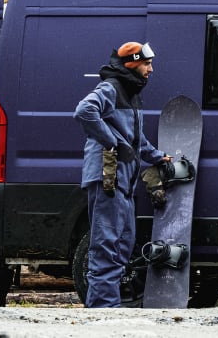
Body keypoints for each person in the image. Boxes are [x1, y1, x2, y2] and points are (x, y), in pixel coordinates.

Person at [74, 42, 170, 308]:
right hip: (110, 175)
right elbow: (84, 111)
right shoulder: (110, 88)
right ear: (132, 64)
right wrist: (112, 142)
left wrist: (157, 156)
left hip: (123, 179)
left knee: (123, 242)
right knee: (108, 242)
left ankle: (107, 307)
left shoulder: (130, 93)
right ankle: (102, 310)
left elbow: (134, 139)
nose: (151, 69)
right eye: (146, 64)